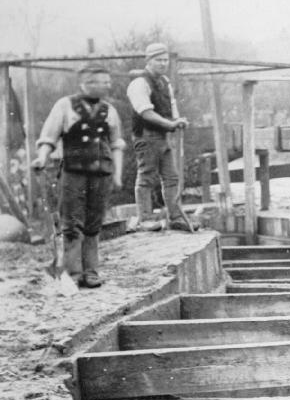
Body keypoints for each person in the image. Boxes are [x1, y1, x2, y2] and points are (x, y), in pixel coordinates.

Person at [32, 65, 125, 287]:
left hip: (101, 173)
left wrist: (118, 175)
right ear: (87, 83)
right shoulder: (65, 106)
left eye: (108, 81)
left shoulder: (109, 110)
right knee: (72, 224)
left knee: (94, 223)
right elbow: (49, 136)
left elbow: (116, 144)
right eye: (103, 81)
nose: (108, 85)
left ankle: (91, 271)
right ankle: (73, 273)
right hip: (73, 173)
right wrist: (42, 158)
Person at [127, 42, 191, 231]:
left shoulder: (164, 83)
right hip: (146, 136)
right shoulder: (139, 83)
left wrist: (178, 120)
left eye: (165, 60)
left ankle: (175, 217)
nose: (163, 63)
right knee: (146, 177)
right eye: (158, 60)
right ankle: (145, 218)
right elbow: (146, 112)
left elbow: (171, 107)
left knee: (171, 177)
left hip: (163, 137)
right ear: (148, 61)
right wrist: (170, 124)